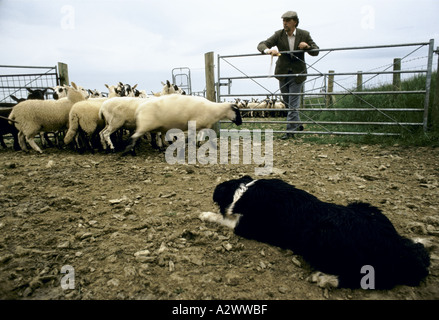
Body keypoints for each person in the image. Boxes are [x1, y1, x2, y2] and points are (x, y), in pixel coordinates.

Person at [257, 11, 319, 139]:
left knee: (293, 104)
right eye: (283, 20)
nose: (284, 23)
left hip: (298, 74)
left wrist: (307, 47)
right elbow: (261, 45)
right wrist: (269, 50)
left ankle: (289, 132)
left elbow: (316, 51)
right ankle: (298, 124)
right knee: (287, 103)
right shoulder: (278, 34)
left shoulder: (304, 34)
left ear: (294, 22)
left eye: (287, 20)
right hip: (283, 73)